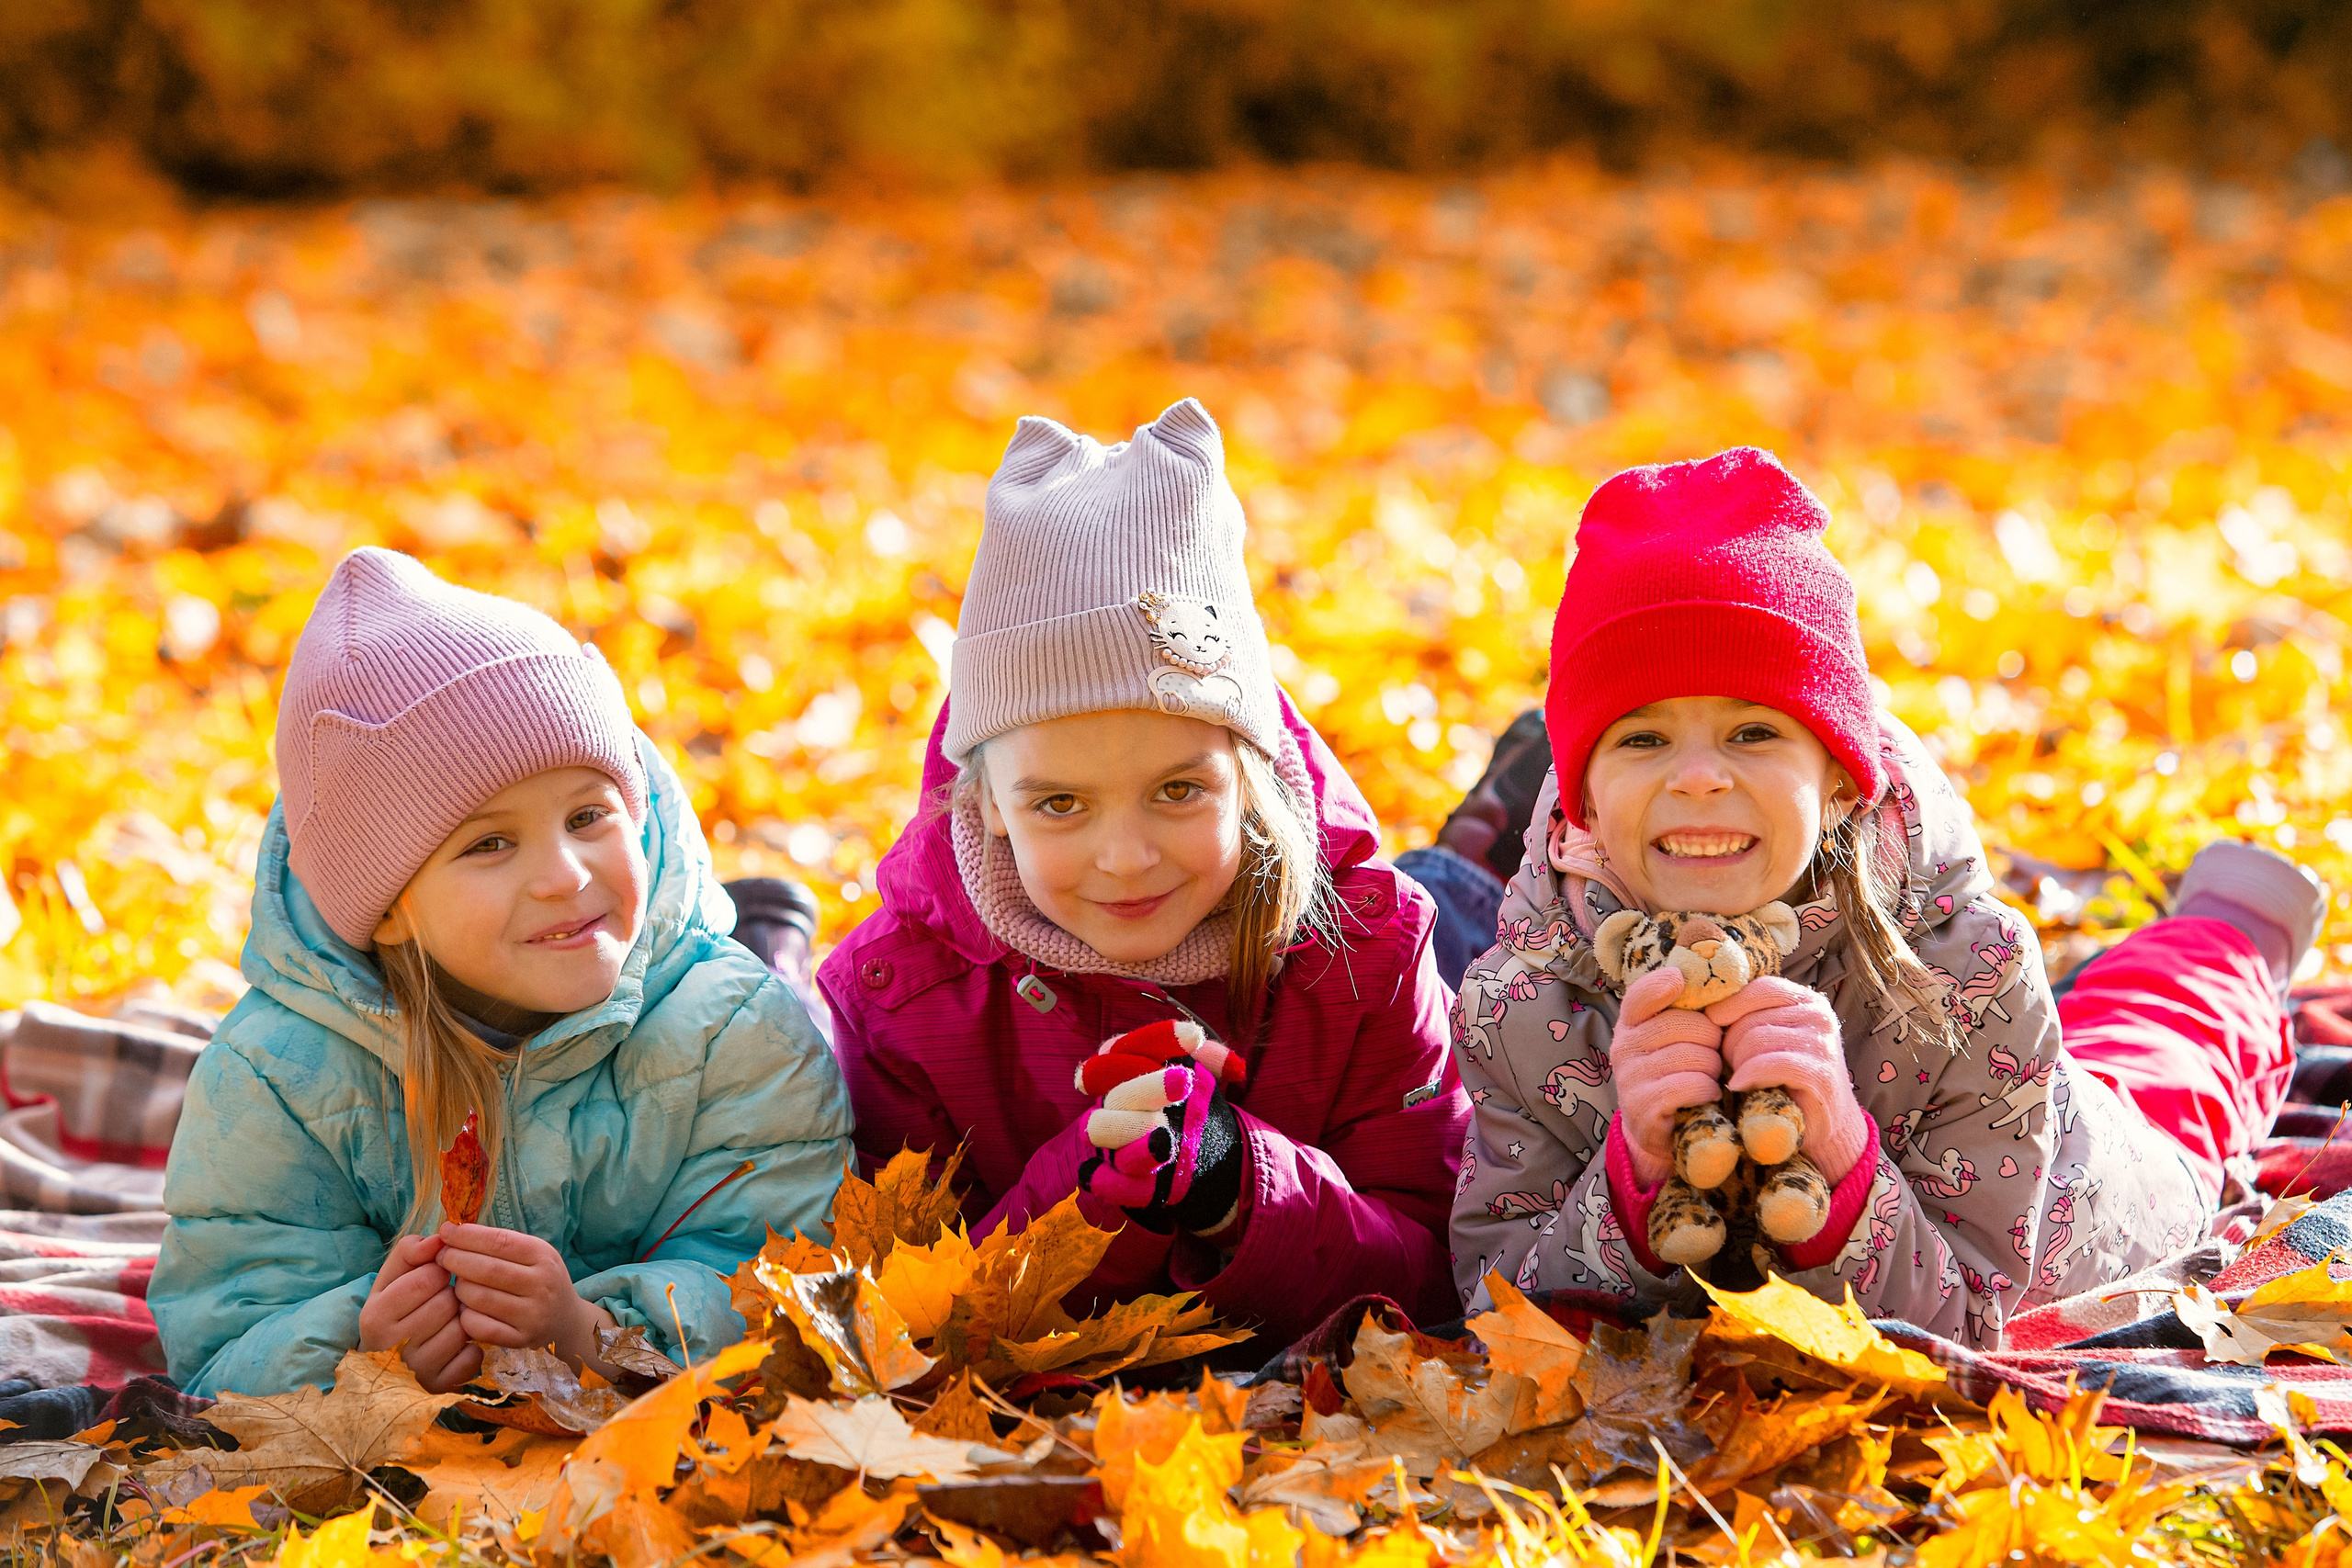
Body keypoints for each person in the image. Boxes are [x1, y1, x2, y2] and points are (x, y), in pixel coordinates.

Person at [1448, 448, 2322, 1347]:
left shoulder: (1966, 968)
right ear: (1585, 798)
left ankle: (2233, 931)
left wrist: (1840, 1159)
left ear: (1836, 779)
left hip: (2097, 1190)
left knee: (2164, 1050)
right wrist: (1631, 1181)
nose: (1699, 776)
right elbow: (1495, 1314)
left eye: (1753, 732)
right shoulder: (1521, 999)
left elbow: (1971, 1323)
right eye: (1643, 738)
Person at [819, 399, 1467, 1346]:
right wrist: (1090, 1195)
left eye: (1177, 790)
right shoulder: (901, 996)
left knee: (1471, 911)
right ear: (985, 800)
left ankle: (1479, 847)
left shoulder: (1370, 945)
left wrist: (1240, 1182)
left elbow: (1442, 1273)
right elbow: (907, 1321)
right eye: (1060, 804)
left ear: (1248, 767)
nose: (1125, 859)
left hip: (1424, 937)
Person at [151, 549, 853, 1396]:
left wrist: (592, 1334)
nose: (564, 873)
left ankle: (769, 930)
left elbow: (791, 1281)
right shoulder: (279, 1077)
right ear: (386, 907)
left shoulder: (736, 1030)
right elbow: (220, 1346)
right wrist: (362, 1357)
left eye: (588, 815)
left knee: (794, 1000)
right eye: (490, 842)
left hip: (637, 1355)